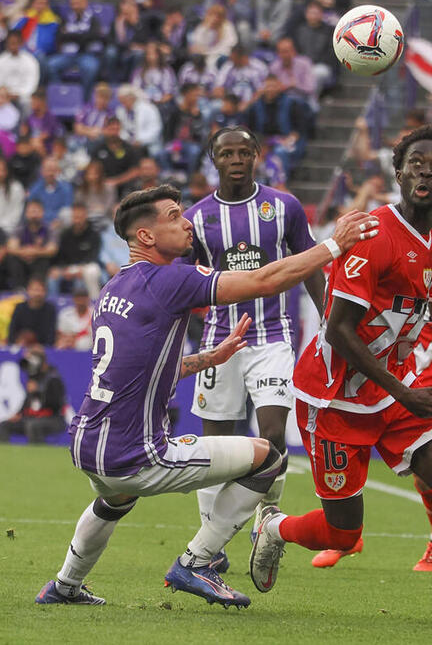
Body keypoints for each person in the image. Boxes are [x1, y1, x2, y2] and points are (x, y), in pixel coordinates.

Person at [33, 182, 377, 607]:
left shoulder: (116, 286)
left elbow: (143, 370)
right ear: (146, 236)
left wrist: (208, 358)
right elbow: (265, 279)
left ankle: (64, 586)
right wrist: (333, 244)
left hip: (87, 442)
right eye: (175, 216)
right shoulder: (170, 279)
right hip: (135, 453)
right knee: (268, 457)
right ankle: (197, 562)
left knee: (114, 499)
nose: (187, 223)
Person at [248, 126, 432, 627]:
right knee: (343, 533)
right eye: (416, 162)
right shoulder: (372, 235)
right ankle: (275, 528)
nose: (425, 170)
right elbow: (338, 330)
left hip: (393, 394)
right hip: (334, 397)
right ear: (399, 172)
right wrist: (405, 389)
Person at [310, 195, 432, 573]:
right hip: (384, 374)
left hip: (428, 380)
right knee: (359, 484)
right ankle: (345, 536)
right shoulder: (383, 238)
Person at [182, 126, 325, 556]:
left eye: (245, 152)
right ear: (215, 160)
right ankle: (212, 541)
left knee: (273, 436)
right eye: (227, 154)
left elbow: (310, 265)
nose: (237, 160)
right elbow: (184, 283)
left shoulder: (284, 207)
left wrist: (328, 316)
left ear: (258, 155)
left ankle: (268, 521)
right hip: (218, 342)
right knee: (215, 446)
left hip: (273, 339)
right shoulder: (197, 218)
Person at [0, 346, 68, 442]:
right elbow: (28, 400)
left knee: (33, 426)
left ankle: (38, 454)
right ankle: (3, 454)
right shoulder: (34, 377)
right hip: (32, 418)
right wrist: (19, 414)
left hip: (53, 419)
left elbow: (56, 404)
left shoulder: (53, 378)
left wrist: (38, 391)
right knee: (4, 425)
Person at [48, 202, 101, 298]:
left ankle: (93, 303)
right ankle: (54, 303)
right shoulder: (65, 234)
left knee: (85, 275)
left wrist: (79, 269)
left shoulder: (94, 234)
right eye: (75, 217)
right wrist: (60, 269)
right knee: (52, 277)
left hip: (85, 267)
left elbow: (93, 256)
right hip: (67, 268)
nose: (77, 220)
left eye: (80, 217)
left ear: (85, 216)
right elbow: (60, 256)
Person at [8, 276, 56, 346]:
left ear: (45, 292)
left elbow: (50, 335)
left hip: (41, 349)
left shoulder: (50, 309)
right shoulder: (19, 308)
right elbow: (12, 331)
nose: (37, 294)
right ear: (28, 290)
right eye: (35, 290)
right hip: (20, 345)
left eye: (41, 290)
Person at [55, 282, 92, 350]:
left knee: (83, 342)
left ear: (88, 298)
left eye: (83, 297)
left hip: (88, 349)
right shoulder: (65, 313)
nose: (81, 301)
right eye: (78, 298)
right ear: (74, 299)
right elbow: (60, 334)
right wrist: (70, 339)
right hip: (68, 346)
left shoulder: (94, 314)